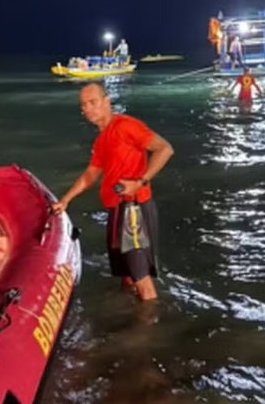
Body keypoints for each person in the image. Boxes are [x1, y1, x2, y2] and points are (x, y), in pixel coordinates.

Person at [51, 82, 174, 301]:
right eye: (84, 105)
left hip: (134, 210)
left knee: (142, 280)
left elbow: (165, 149)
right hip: (116, 211)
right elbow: (91, 174)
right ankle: (127, 314)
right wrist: (66, 200)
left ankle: (148, 329)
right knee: (126, 276)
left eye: (93, 102)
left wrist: (141, 181)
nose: (87, 109)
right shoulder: (100, 141)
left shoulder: (126, 126)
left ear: (107, 102)